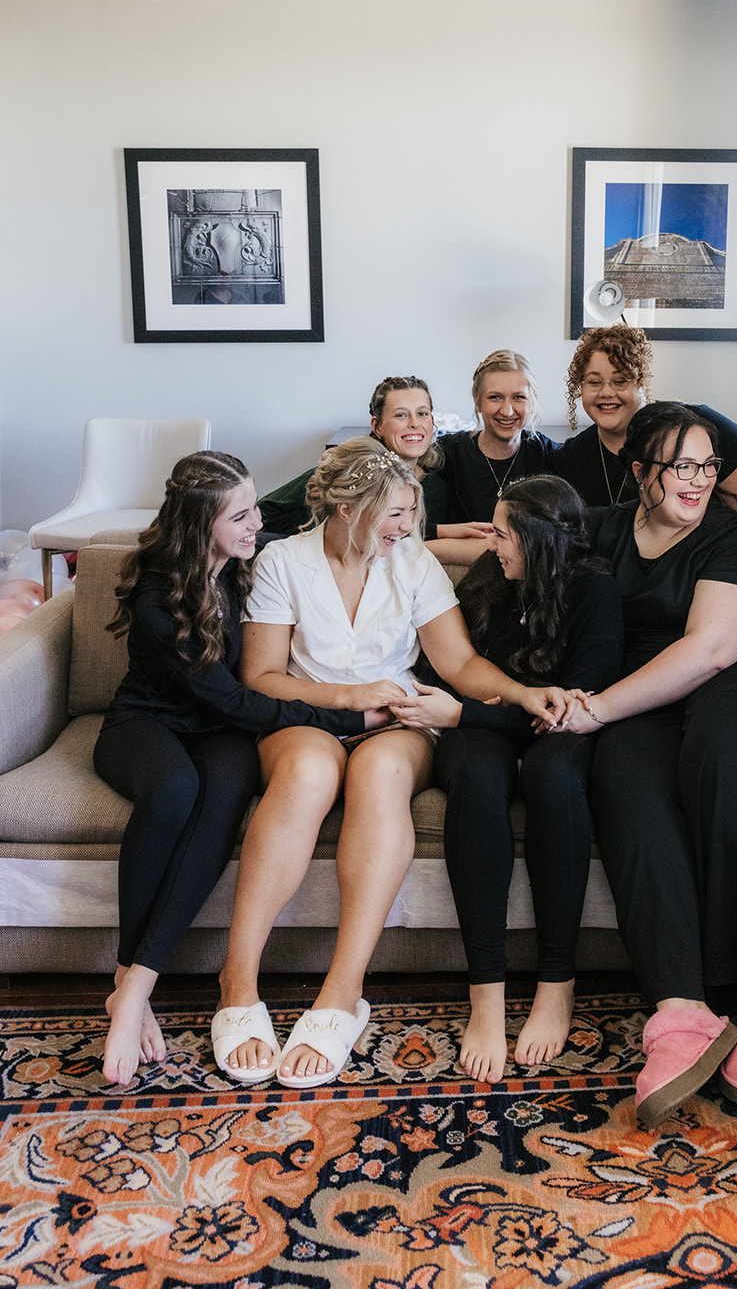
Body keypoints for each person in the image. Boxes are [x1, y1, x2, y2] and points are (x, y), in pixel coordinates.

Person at [215, 438, 569, 1088]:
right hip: (306, 718)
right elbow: (262, 677)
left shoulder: (411, 564)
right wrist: (344, 697)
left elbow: (458, 664)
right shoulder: (282, 563)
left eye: (412, 511)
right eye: (396, 513)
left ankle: (340, 994)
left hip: (393, 723)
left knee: (379, 776)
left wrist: (521, 694)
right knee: (308, 774)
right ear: (348, 508)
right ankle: (237, 981)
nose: (409, 528)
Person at [560, 403, 737, 1125]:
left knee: (728, 777)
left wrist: (594, 709)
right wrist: (418, 543)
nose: (698, 479)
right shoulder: (603, 525)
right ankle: (680, 1012)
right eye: (680, 464)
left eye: (708, 464)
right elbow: (519, 541)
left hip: (728, 686)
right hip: (636, 702)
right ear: (640, 470)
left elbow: (710, 648)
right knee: (623, 788)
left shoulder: (734, 539)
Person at [93, 450, 375, 1087]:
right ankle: (128, 982)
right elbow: (232, 698)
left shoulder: (256, 561)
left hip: (222, 735)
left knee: (222, 795)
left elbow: (339, 534)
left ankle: (137, 985)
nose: (258, 524)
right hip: (147, 724)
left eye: (254, 508)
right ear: (200, 525)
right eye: (241, 516)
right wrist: (353, 721)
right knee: (171, 790)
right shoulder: (156, 593)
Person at [391, 476, 624, 1082]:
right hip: (485, 726)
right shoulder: (490, 579)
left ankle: (556, 983)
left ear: (541, 538)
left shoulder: (595, 591)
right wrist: (471, 714)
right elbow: (462, 669)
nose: (490, 543)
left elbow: (573, 708)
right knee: (474, 776)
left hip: (562, 732)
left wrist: (470, 713)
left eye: (502, 532)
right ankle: (486, 992)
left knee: (554, 778)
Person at [554, 325, 737, 519]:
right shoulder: (572, 457)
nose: (606, 392)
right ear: (580, 388)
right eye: (594, 382)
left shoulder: (704, 427)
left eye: (620, 381)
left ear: (642, 383)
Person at [257, 375, 490, 552]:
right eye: (401, 415)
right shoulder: (349, 473)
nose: (414, 423)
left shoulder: (437, 487)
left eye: (422, 413)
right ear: (377, 426)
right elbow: (264, 515)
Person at [435, 351, 559, 540]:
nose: (507, 411)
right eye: (495, 397)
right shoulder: (448, 452)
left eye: (518, 397)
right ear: (477, 399)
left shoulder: (548, 455)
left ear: (532, 401)